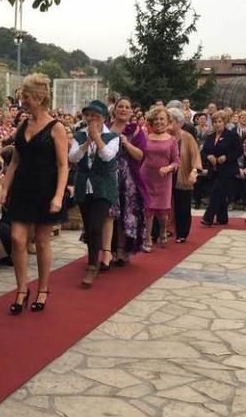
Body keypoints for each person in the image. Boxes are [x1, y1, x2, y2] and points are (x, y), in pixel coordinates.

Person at [1, 73, 68, 314]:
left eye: (26, 96)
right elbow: (15, 163)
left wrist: (59, 196)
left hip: (45, 190)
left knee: (41, 241)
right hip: (22, 189)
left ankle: (42, 288)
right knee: (17, 239)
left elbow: (63, 166)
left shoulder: (56, 127)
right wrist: (4, 187)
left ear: (39, 98)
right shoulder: (23, 124)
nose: (23, 100)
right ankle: (21, 289)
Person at [69, 100, 119, 288]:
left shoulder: (112, 136)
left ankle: (92, 265)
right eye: (88, 115)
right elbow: (72, 158)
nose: (90, 119)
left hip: (104, 186)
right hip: (84, 185)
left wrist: (96, 138)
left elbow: (107, 156)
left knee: (97, 226)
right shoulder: (79, 136)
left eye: (95, 116)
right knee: (89, 227)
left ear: (103, 118)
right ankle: (93, 256)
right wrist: (85, 144)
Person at [108, 98, 148, 262]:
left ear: (131, 111)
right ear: (115, 109)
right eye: (120, 107)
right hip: (107, 175)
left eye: (127, 107)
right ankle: (106, 249)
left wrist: (126, 143)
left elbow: (141, 155)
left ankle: (121, 250)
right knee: (108, 214)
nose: (123, 110)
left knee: (125, 214)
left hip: (128, 178)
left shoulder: (136, 130)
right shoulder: (105, 127)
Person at [140, 106, 179, 249]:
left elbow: (176, 161)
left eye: (162, 118)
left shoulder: (172, 140)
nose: (158, 121)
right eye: (155, 119)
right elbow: (140, 157)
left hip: (163, 180)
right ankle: (147, 238)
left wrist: (169, 168)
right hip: (146, 177)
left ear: (167, 121)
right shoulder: (146, 137)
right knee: (148, 209)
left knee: (162, 212)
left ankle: (163, 231)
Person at [200, 111, 241, 226]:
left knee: (215, 192)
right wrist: (209, 156)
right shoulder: (210, 136)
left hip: (227, 170)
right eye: (215, 122)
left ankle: (208, 217)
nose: (217, 124)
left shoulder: (232, 135)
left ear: (224, 122)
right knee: (220, 194)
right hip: (214, 170)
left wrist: (226, 157)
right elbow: (204, 151)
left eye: (219, 121)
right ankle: (222, 218)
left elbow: (239, 151)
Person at [168, 107, 201, 243]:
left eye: (170, 121)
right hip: (166, 177)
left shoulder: (187, 137)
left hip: (183, 177)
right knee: (163, 206)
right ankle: (161, 231)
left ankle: (182, 233)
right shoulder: (164, 136)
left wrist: (194, 171)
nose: (168, 123)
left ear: (178, 122)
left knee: (183, 206)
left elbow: (195, 156)